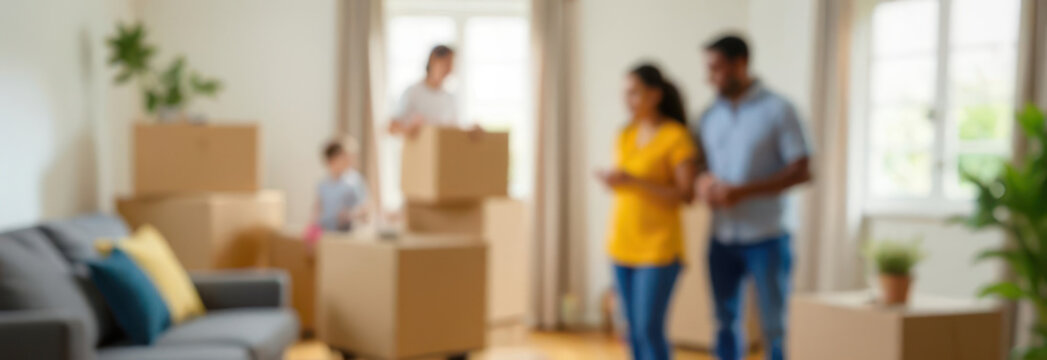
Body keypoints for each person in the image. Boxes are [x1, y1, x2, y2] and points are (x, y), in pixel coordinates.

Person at [692, 35, 812, 360]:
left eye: (716, 68)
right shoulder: (708, 116)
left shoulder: (779, 110)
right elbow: (698, 165)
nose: (710, 77)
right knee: (724, 321)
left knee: (774, 325)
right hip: (721, 236)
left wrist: (741, 191)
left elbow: (802, 170)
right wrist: (703, 183)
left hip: (768, 237)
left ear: (740, 63)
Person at [597, 64, 698, 360]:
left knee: (649, 330)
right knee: (632, 332)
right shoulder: (625, 133)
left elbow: (686, 194)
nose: (627, 100)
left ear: (654, 95)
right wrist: (615, 181)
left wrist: (635, 182)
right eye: (625, 94)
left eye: (633, 93)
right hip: (621, 244)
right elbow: (627, 185)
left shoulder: (675, 137)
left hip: (658, 250)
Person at [389, 44, 479, 138]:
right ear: (433, 61)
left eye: (451, 65)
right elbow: (391, 128)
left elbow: (456, 130)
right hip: (418, 151)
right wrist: (407, 130)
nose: (449, 69)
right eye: (446, 64)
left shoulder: (450, 98)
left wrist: (471, 129)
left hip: (442, 151)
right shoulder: (412, 92)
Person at [313, 136, 370, 233]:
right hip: (326, 232)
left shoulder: (355, 180)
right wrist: (313, 226)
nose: (348, 160)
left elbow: (366, 207)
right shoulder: (323, 184)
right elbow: (317, 209)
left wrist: (351, 214)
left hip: (347, 232)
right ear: (330, 160)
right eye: (343, 157)